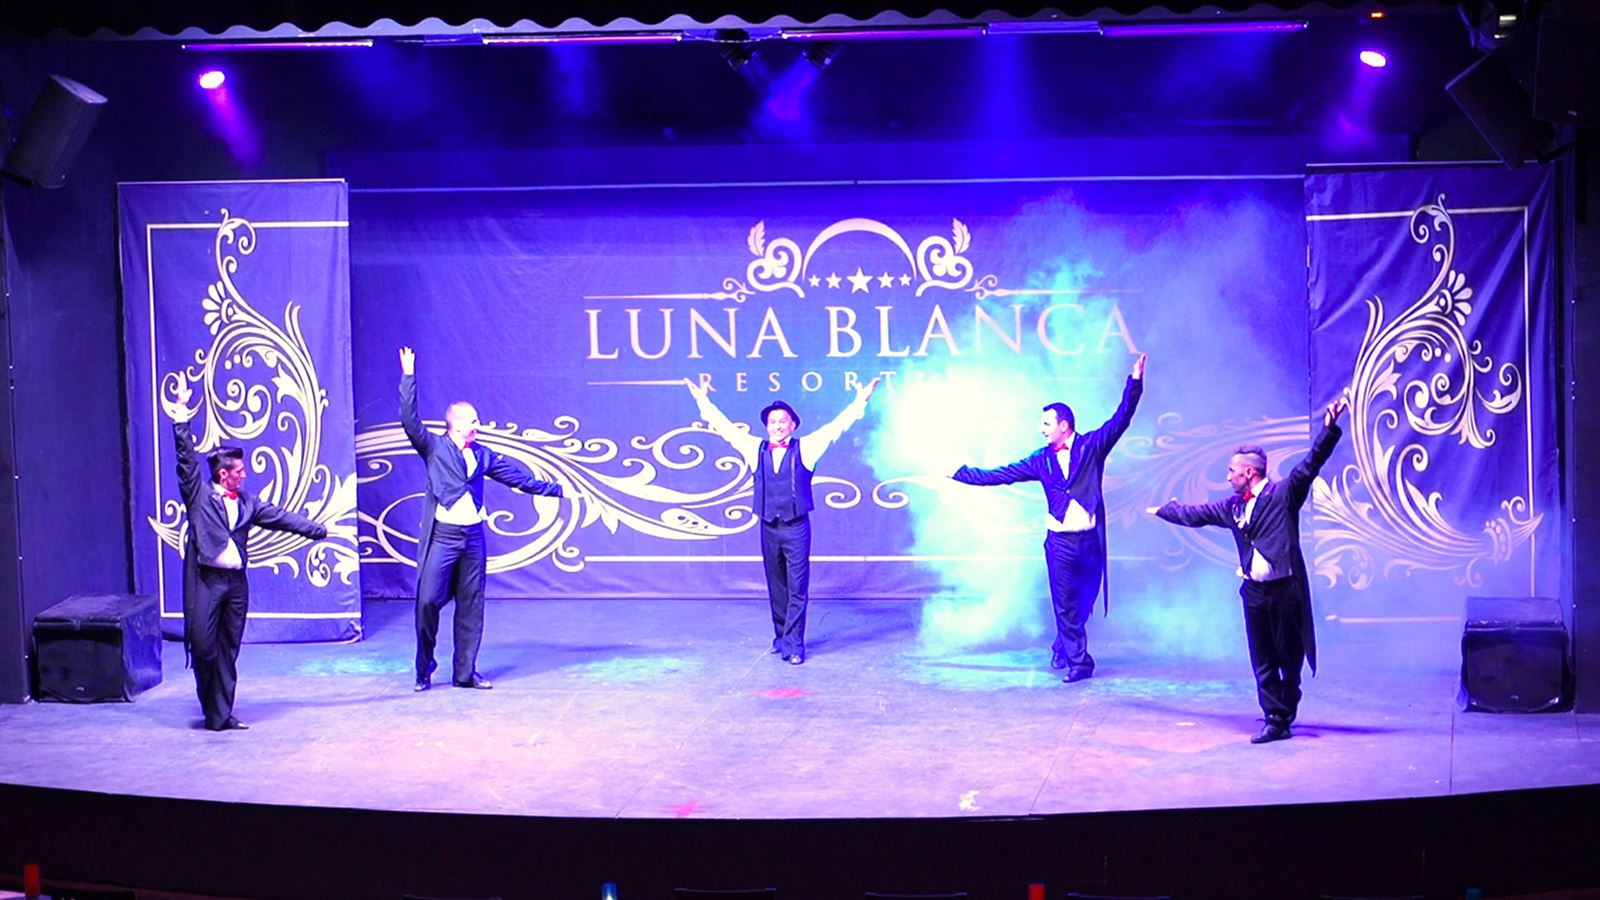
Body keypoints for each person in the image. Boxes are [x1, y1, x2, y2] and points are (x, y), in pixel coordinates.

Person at [1149, 397, 1348, 744]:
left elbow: (1311, 463)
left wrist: (1329, 428)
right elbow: (1197, 514)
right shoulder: (1232, 506)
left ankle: (1286, 707)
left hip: (1284, 591)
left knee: (1290, 659)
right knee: (1262, 659)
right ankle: (1275, 720)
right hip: (1254, 593)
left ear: (1249, 473)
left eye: (1232, 471)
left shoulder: (1283, 494)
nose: (1227, 477)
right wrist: (1165, 510)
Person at [951, 354, 1146, 683]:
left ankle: (1062, 644)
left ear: (1063, 425)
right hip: (1060, 544)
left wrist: (1135, 383)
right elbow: (1001, 475)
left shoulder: (1092, 446)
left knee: (1084, 602)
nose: (1041, 430)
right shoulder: (1040, 459)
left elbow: (1121, 418)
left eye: (1046, 424)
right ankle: (1080, 663)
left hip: (1089, 542)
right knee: (1065, 602)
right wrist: (961, 473)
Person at [161, 373, 329, 731]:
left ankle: (220, 715)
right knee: (203, 647)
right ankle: (211, 704)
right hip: (207, 583)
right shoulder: (200, 496)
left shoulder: (248, 503)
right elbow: (185, 459)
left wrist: (317, 530)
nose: (244, 474)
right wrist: (181, 412)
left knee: (228, 649)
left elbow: (281, 518)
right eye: (239, 470)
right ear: (224, 474)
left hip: (236, 585)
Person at [399, 347, 564, 691]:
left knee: (471, 604)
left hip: (473, 539)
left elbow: (519, 478)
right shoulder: (434, 447)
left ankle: (465, 673)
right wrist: (409, 375)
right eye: (473, 421)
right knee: (427, 601)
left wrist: (556, 490)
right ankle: (424, 666)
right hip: (444, 537)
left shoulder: (483, 455)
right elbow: (409, 420)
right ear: (457, 424)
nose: (478, 425)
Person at [684, 376, 880, 664]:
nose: (777, 426)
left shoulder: (808, 447)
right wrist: (702, 400)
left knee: (797, 586)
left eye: (783, 421)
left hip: (796, 527)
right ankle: (781, 636)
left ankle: (795, 645)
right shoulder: (754, 448)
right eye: (773, 421)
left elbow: (836, 427)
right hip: (768, 527)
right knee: (776, 586)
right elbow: (724, 428)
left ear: (793, 425)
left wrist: (860, 401)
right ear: (767, 426)